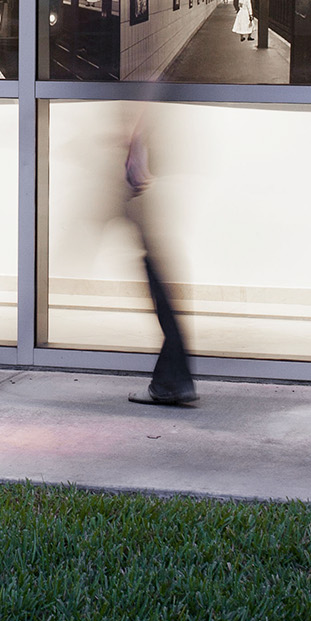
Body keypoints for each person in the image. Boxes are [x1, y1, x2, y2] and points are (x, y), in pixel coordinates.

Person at [120, 104, 196, 406]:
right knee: (164, 294)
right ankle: (174, 381)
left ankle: (172, 383)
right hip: (153, 211)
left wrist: (136, 147)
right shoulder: (155, 102)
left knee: (163, 295)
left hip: (150, 208)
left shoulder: (150, 100)